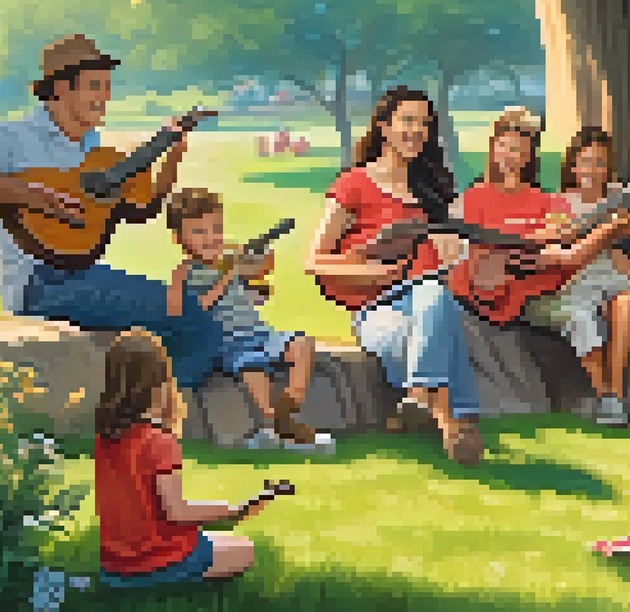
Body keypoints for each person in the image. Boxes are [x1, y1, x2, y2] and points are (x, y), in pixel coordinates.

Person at [0, 34, 227, 389]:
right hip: (40, 283)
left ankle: (144, 407)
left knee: (185, 315)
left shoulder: (97, 153)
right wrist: (35, 197)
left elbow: (145, 208)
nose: (104, 97)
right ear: (59, 87)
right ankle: (145, 420)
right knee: (198, 323)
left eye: (106, 87)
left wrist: (172, 158)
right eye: (94, 86)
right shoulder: (15, 136)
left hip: (83, 274)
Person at [304, 86, 483, 464]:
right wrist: (377, 272)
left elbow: (451, 261)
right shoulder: (354, 184)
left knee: (435, 298)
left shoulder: (435, 188)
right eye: (408, 120)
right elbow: (314, 261)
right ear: (384, 126)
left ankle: (420, 399)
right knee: (428, 324)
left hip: (426, 294)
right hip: (376, 306)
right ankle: (456, 422)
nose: (416, 131)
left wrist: (453, 246)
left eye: (424, 124)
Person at [450, 109, 630, 360]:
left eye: (518, 149)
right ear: (494, 150)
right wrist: (538, 236)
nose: (510, 156)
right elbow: (482, 254)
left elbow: (567, 244)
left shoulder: (547, 201)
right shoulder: (473, 199)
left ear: (528, 156)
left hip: (539, 291)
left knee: (587, 315)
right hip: (490, 295)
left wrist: (609, 227)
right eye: (504, 147)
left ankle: (608, 397)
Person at [164, 187, 333, 452]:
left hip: (259, 333)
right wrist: (226, 278)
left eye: (216, 229)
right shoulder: (184, 272)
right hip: (229, 342)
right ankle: (271, 424)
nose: (211, 238)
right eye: (199, 232)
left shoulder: (228, 263)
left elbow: (259, 280)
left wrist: (259, 260)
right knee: (252, 367)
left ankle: (288, 409)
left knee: (302, 344)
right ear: (178, 239)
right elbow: (182, 311)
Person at [95, 329, 267, 588]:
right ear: (160, 382)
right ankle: (163, 582)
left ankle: (136, 579)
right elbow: (177, 511)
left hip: (114, 564)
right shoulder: (159, 440)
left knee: (219, 541)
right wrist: (234, 511)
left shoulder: (105, 438)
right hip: (156, 561)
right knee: (245, 550)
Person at [526, 126, 630, 426]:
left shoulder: (617, 201)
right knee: (582, 318)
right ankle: (603, 395)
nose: (592, 170)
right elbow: (563, 251)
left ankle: (615, 393)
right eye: (585, 161)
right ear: (573, 165)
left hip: (609, 280)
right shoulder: (559, 204)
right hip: (573, 281)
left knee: (627, 299)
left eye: (600, 163)